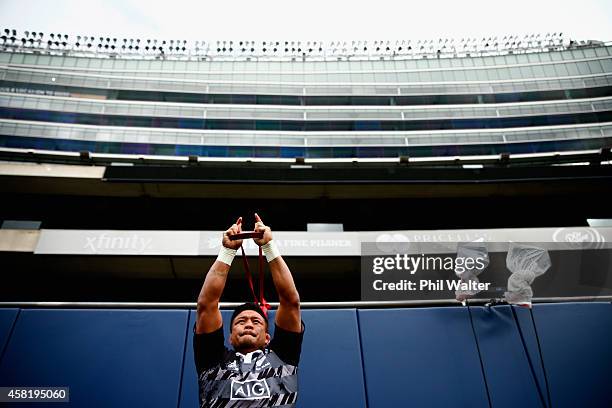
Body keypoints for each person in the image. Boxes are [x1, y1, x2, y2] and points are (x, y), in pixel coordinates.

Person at [194, 213, 304, 408]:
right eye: (240, 321)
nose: (248, 325)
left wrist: (269, 247)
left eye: (256, 322)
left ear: (268, 337)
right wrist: (227, 252)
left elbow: (290, 301)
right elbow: (206, 304)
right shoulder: (212, 361)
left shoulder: (283, 357)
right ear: (230, 337)